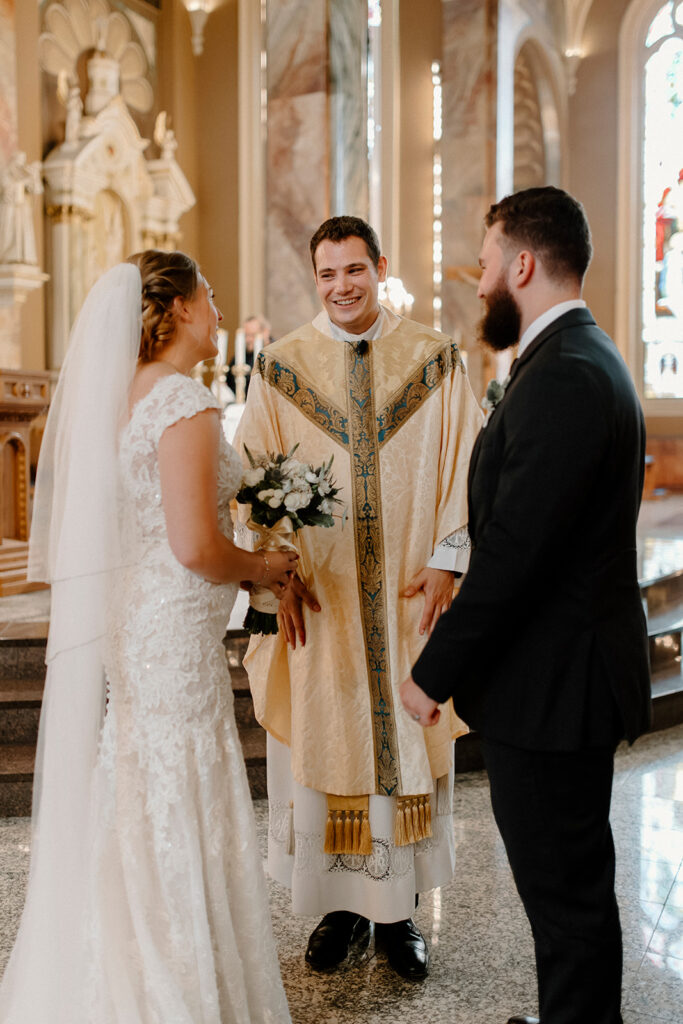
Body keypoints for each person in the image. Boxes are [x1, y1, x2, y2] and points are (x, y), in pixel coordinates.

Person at [0, 252, 296, 1022]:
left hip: (138, 628)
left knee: (139, 782)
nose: (220, 309)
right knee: (179, 780)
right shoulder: (184, 403)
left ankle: (122, 966)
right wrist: (263, 564)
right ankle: (177, 987)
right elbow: (197, 547)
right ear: (178, 312)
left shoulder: (120, 398)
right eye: (210, 296)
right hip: (172, 631)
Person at [401, 187, 652, 1024]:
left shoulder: (566, 377)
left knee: (567, 898)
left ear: (521, 264)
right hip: (558, 677)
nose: (476, 285)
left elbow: (513, 556)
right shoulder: (574, 359)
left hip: (554, 688)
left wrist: (431, 672)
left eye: (482, 264)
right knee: (564, 892)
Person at [234, 215, 483, 980]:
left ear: (380, 266)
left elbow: (467, 467)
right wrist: (275, 563)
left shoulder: (434, 361)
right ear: (314, 278)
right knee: (326, 743)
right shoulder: (280, 369)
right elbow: (249, 477)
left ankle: (398, 915)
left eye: (354, 271)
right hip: (326, 603)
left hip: (407, 601)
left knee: (402, 749)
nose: (341, 287)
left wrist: (447, 561)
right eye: (326, 274)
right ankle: (340, 911)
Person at [226, 313, 273, 398]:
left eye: (252, 335)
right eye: (245, 335)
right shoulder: (241, 355)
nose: (248, 340)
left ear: (265, 332)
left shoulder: (276, 355)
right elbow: (229, 382)